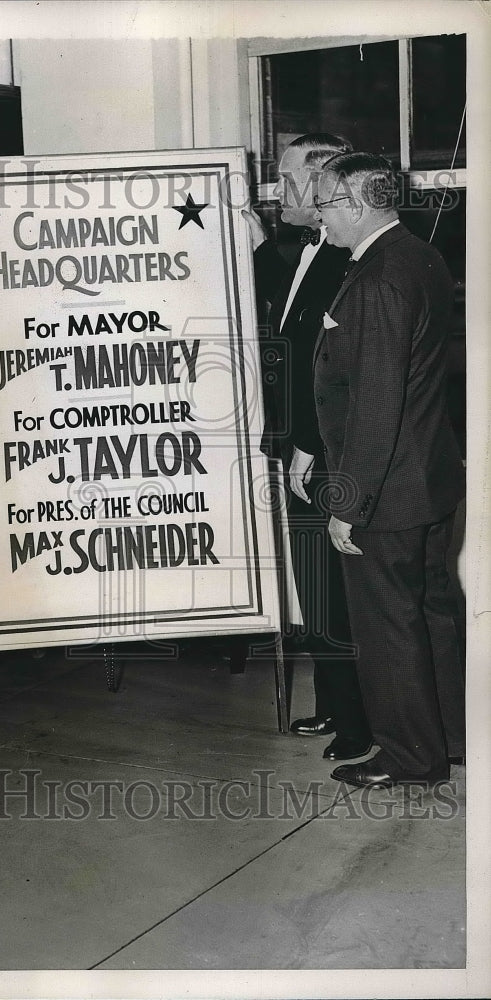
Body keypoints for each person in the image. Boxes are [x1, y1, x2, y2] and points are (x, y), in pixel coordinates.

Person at [313, 151, 465, 787]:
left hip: (388, 488)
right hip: (427, 476)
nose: (318, 217)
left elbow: (376, 400)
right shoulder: (420, 255)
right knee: (431, 614)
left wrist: (350, 502)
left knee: (388, 626)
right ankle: (453, 737)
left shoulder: (377, 278)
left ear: (354, 205)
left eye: (323, 204)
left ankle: (409, 757)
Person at [245, 133, 372, 762]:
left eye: (291, 182)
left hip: (324, 450)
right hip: (295, 447)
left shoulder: (348, 263)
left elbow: (330, 372)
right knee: (316, 582)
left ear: (326, 186)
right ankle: (332, 703)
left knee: (342, 590)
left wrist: (308, 446)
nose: (280, 193)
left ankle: (360, 723)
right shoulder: (300, 250)